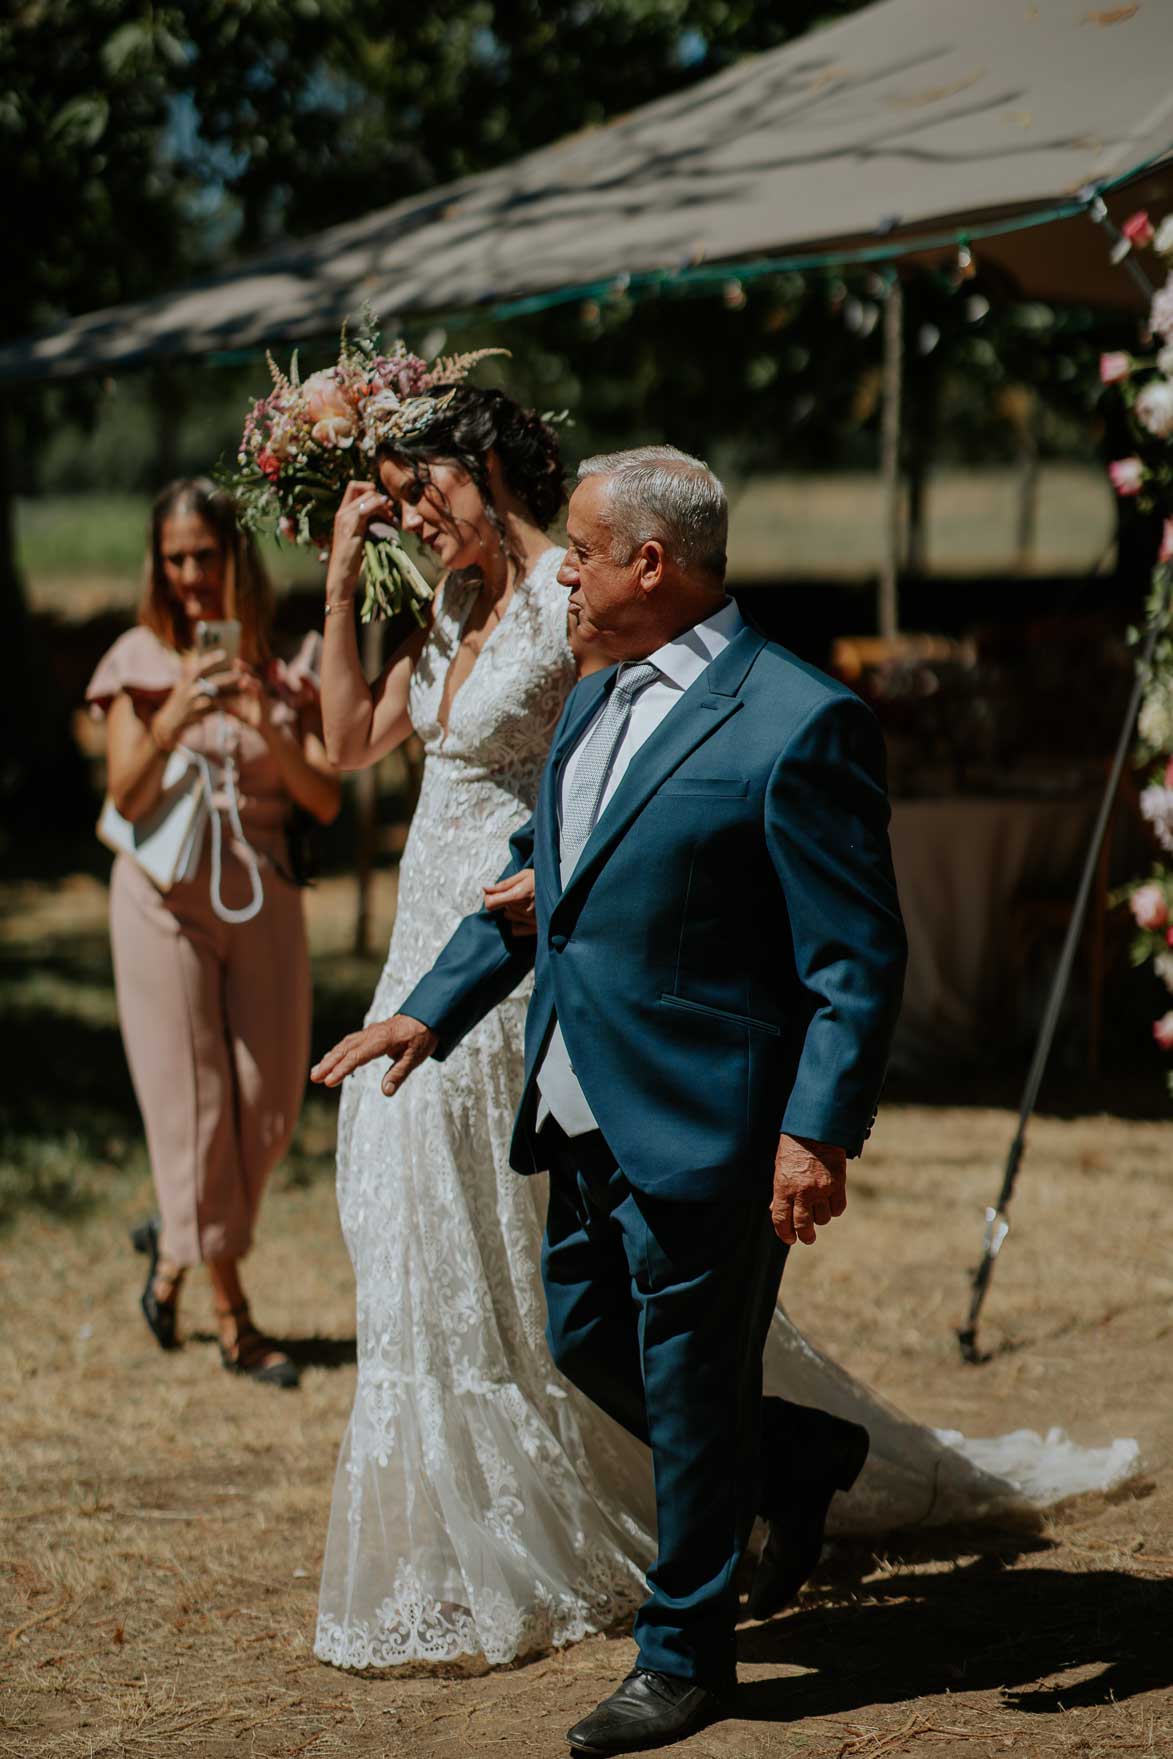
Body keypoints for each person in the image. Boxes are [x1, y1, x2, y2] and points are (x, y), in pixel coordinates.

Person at [312, 444, 908, 1753]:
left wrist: (814, 1128)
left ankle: (683, 1656)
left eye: (581, 548)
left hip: (712, 1118)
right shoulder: (589, 699)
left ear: (653, 562)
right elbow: (543, 881)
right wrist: (430, 1004)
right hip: (575, 1104)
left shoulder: (796, 719)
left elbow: (852, 955)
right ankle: (798, 1455)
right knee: (585, 1338)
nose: (562, 569)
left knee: (692, 1387)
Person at [312, 386, 660, 1673]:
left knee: (502, 1236)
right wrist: (346, 578)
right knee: (401, 1203)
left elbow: (625, 739)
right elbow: (347, 740)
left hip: (510, 950)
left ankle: (585, 1493)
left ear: (485, 464)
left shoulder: (570, 590)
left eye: (423, 490)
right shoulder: (443, 607)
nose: (413, 515)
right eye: (394, 502)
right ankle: (455, 1528)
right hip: (418, 943)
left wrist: (559, 870)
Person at [87, 477, 340, 1389]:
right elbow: (122, 795)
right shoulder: (137, 659)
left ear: (237, 554)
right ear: (159, 566)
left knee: (268, 1108)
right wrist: (178, 714)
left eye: (205, 553)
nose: (191, 574)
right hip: (164, 900)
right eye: (174, 557)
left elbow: (323, 795)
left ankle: (171, 1254)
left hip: (264, 889)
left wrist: (263, 723)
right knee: (197, 1109)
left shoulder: (284, 663)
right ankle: (234, 1315)